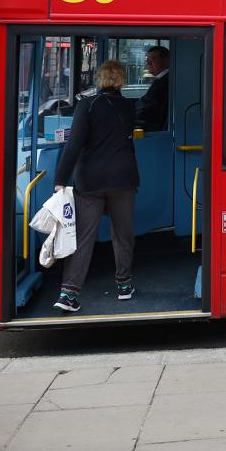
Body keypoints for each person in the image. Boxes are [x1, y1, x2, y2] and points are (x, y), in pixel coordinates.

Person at [52, 60, 140, 312]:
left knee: (82, 236)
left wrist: (60, 180)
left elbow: (74, 145)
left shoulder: (87, 104)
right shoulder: (128, 106)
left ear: (99, 79)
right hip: (123, 178)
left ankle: (69, 293)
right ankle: (124, 285)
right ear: (121, 81)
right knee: (122, 234)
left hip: (90, 180)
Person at [135, 45, 170, 132]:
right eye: (148, 60)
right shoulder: (161, 80)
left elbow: (147, 108)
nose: (148, 63)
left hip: (155, 128)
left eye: (153, 59)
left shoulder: (163, 82)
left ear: (165, 61)